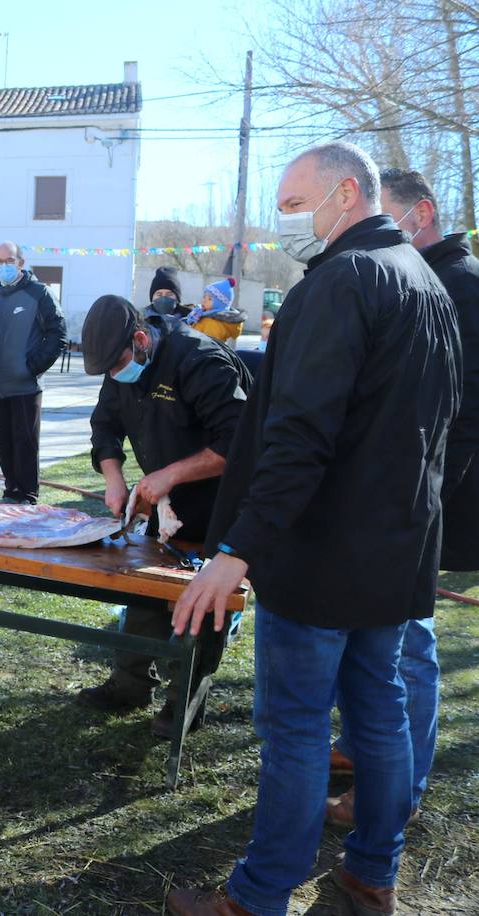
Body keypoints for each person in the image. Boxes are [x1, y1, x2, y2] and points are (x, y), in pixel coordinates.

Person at [168, 141, 460, 916]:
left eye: (296, 204)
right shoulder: (426, 282)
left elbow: (298, 435)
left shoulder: (345, 280)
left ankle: (258, 897)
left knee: (297, 728)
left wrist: (237, 549)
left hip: (325, 551)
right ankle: (371, 875)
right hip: (392, 552)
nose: (286, 221)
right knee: (380, 713)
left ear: (345, 194)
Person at [321, 167, 479, 831]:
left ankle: (397, 793)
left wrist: (423, 497)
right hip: (400, 493)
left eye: (388, 216)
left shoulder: (462, 285)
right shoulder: (420, 274)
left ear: (423, 212)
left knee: (406, 646)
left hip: (432, 498)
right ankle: (363, 752)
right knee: (373, 630)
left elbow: (462, 412)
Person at [78, 295, 249, 737]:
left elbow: (239, 442)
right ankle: (131, 685)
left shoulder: (200, 360)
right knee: (145, 589)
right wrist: (113, 477)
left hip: (220, 503)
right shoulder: (120, 365)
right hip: (167, 504)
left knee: (203, 604)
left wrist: (169, 475)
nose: (116, 377)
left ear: (140, 340)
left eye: (118, 365)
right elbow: (105, 426)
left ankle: (184, 705)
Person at [0, 241, 66, 504]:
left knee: (25, 443)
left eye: (9, 260)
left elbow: (58, 334)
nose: (4, 266)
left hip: (25, 387)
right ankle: (11, 491)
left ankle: (28, 495)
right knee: (3, 443)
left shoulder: (39, 294)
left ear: (21, 262)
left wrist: (33, 367)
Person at [185, 277, 246, 344]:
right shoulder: (202, 314)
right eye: (204, 297)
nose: (204, 301)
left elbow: (208, 346)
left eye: (209, 299)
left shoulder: (213, 323)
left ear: (219, 304)